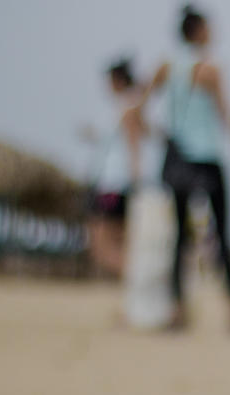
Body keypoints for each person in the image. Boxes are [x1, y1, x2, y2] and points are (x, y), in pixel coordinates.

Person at [140, 5, 230, 334]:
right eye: (209, 28)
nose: (214, 33)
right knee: (222, 235)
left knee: (180, 237)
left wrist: (162, 137)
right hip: (207, 159)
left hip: (177, 160)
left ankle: (177, 312)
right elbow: (227, 116)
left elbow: (139, 109)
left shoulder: (165, 67)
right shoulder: (210, 70)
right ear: (197, 31)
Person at [86, 59, 147, 277]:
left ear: (118, 80)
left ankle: (140, 283)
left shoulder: (128, 108)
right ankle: (138, 293)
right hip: (110, 183)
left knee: (102, 246)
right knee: (116, 245)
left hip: (113, 184)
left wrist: (136, 182)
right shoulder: (122, 107)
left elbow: (134, 148)